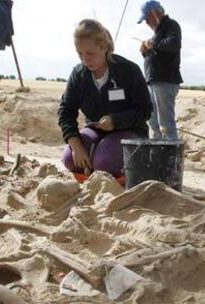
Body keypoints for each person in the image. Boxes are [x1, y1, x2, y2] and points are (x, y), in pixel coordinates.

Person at [58, 19, 152, 178]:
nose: (85, 59)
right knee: (69, 159)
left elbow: (145, 110)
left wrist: (115, 121)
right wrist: (76, 146)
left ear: (104, 47)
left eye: (90, 53)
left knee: (103, 165)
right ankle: (96, 161)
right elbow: (66, 111)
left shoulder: (129, 71)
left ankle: (133, 162)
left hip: (130, 131)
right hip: (96, 130)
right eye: (80, 54)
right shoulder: (78, 75)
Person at [138, 0, 183, 140]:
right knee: (153, 121)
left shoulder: (171, 25)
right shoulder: (157, 33)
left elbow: (174, 44)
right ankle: (158, 152)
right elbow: (157, 53)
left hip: (165, 81)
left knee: (165, 123)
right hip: (154, 81)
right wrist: (145, 51)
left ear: (156, 13)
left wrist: (153, 44)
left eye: (147, 18)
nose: (146, 22)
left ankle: (170, 157)